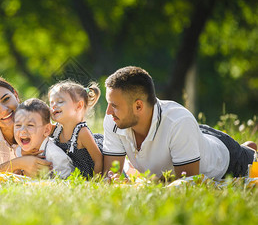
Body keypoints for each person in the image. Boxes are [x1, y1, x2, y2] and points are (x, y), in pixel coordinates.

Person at [102, 66, 256, 180]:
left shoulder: (179, 122)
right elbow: (110, 174)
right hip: (192, 136)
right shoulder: (114, 119)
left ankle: (248, 151)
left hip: (227, 160)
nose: (108, 111)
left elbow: (187, 183)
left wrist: (146, 183)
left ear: (138, 106)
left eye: (114, 106)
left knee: (252, 162)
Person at [48, 80, 103, 178]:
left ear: (79, 105)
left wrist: (96, 181)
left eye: (60, 102)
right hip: (70, 175)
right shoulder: (56, 129)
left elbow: (98, 159)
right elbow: (40, 129)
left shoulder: (82, 132)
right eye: (51, 103)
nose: (54, 106)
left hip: (88, 175)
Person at [13, 98, 75, 179]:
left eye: (30, 125)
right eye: (18, 125)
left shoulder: (56, 156)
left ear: (46, 130)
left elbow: (68, 182)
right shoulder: (19, 150)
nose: (23, 131)